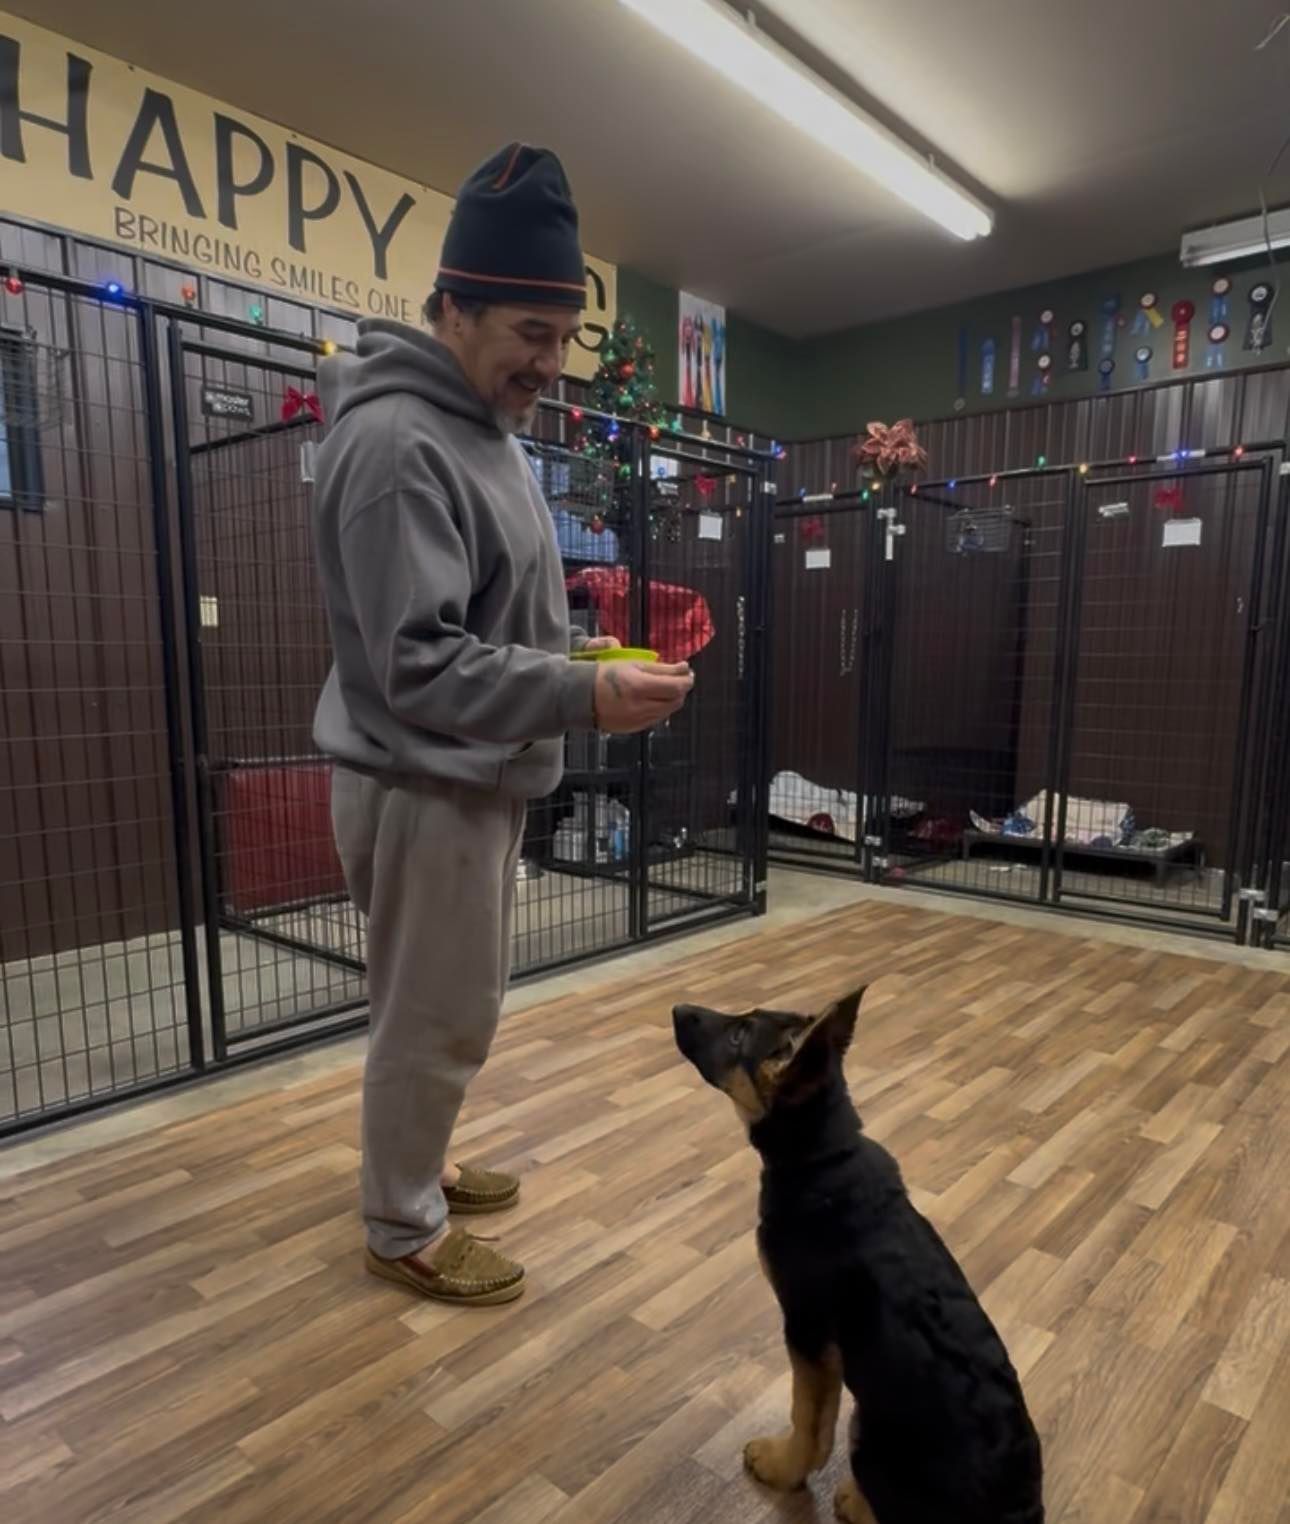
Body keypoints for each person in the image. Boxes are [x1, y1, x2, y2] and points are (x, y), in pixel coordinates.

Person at [311, 142, 694, 1305]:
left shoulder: (482, 428)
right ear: (455, 306)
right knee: (438, 1011)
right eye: (532, 331)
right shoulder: (394, 445)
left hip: (465, 771)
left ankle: (413, 1163)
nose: (553, 362)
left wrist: (585, 663)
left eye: (565, 334)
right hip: (423, 775)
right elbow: (419, 665)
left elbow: (484, 618)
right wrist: (579, 695)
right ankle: (401, 1224)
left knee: (425, 1003)